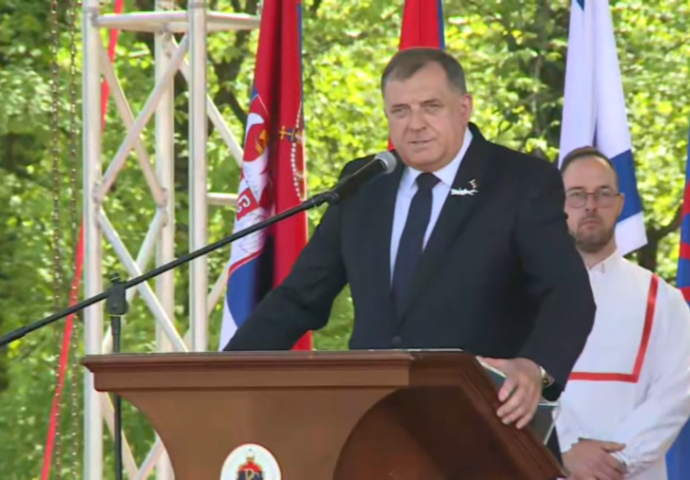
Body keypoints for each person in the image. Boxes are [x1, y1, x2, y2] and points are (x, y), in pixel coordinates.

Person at [224, 47, 595, 457]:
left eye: (431, 107)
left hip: (486, 428)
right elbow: (299, 298)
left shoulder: (519, 182)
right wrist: (221, 373)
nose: (415, 124)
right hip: (375, 429)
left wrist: (536, 368)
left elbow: (569, 295)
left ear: (464, 108)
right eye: (400, 111)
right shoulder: (364, 183)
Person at [554, 146, 690, 480]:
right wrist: (563, 450)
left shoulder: (664, 300)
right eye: (577, 195)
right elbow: (504, 385)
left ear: (620, 203)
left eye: (603, 194)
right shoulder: (520, 297)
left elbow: (677, 393)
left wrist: (619, 460)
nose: (590, 205)